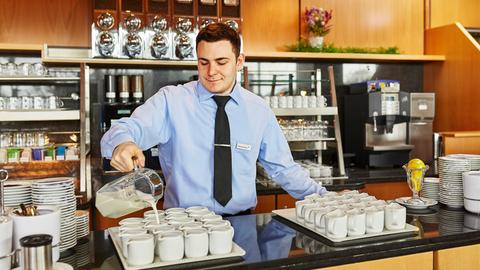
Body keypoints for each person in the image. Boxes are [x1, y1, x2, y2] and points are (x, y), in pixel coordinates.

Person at [100, 23, 327, 215]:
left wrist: (326, 198)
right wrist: (123, 143)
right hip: (183, 225)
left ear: (239, 61)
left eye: (221, 62)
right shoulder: (172, 101)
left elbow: (284, 169)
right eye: (203, 62)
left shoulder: (259, 110)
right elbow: (127, 128)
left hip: (242, 222)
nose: (211, 72)